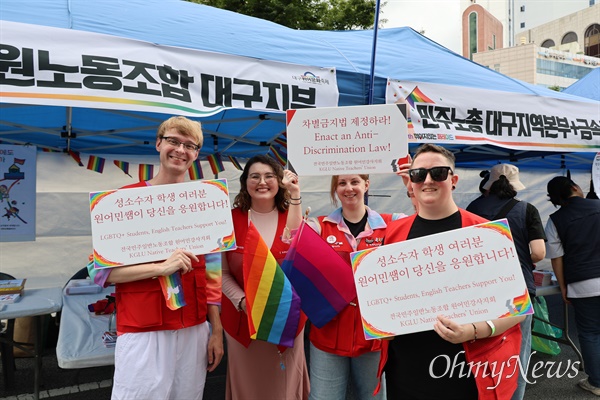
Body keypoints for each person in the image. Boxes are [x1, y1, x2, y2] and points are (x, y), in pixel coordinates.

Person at [92, 116, 224, 400]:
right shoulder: (124, 201)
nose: (180, 150)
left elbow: (213, 276)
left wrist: (217, 331)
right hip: (144, 327)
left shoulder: (206, 202)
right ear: (158, 144)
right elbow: (101, 273)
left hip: (194, 327)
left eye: (190, 145)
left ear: (197, 154)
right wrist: (161, 268)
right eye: (173, 141)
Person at [381, 144, 525, 400]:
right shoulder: (393, 233)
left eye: (438, 173)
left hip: (466, 369)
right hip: (405, 369)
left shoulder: (486, 233)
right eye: (419, 174)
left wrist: (474, 330)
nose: (427, 180)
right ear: (410, 181)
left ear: (453, 180)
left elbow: (517, 309)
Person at [286, 172, 408, 400]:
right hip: (328, 335)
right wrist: (294, 194)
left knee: (372, 398)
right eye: (342, 183)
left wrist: (410, 184)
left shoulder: (392, 223)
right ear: (335, 189)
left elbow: (424, 227)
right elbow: (295, 240)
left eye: (355, 182)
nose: (349, 188)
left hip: (372, 336)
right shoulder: (321, 225)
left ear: (366, 184)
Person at [221, 155, 309, 400]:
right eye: (255, 176)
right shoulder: (229, 221)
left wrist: (295, 196)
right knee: (249, 387)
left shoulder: (291, 215)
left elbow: (299, 251)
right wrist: (242, 302)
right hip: (243, 323)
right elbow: (222, 274)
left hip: (287, 322)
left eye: (270, 176)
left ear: (279, 181)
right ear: (245, 182)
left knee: (284, 387)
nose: (262, 182)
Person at [466, 163, 546, 400]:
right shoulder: (527, 209)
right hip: (517, 290)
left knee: (479, 351)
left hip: (478, 289)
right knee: (517, 355)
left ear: (489, 183)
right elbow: (539, 253)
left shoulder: (473, 207)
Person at [545, 176, 600, 396]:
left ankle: (597, 383)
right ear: (575, 188)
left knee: (590, 333)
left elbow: (556, 258)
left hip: (582, 283)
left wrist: (564, 286)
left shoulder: (555, 220)